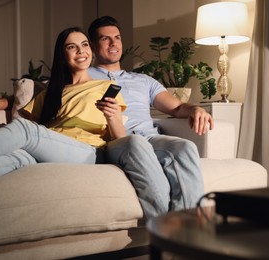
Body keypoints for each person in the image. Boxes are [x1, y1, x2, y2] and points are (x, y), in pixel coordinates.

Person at [0, 27, 126, 215]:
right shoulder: (51, 93)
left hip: (88, 152)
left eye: (84, 44)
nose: (81, 51)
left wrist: (113, 117)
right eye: (72, 47)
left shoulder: (104, 87)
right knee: (17, 155)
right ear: (63, 56)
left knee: (27, 131)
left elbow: (121, 140)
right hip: (54, 148)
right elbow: (19, 112)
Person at [86, 16, 214, 217]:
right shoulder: (84, 77)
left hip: (150, 137)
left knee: (186, 146)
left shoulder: (143, 80)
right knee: (137, 143)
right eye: (105, 39)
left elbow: (177, 107)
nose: (113, 43)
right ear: (92, 45)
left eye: (117, 38)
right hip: (118, 140)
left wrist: (195, 109)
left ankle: (189, 228)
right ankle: (164, 229)